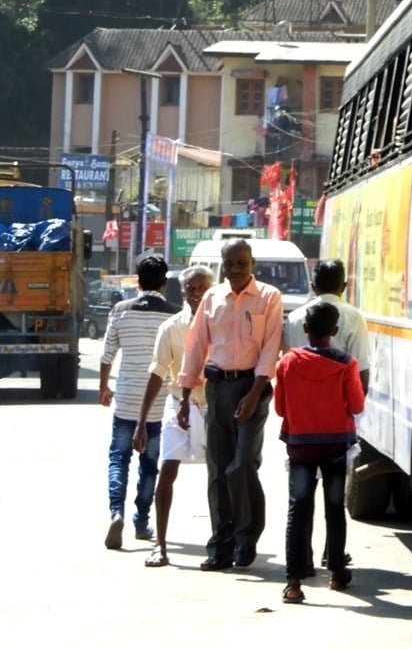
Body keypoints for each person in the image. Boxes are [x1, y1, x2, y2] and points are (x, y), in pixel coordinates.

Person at [176, 238, 284, 571]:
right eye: (230, 264)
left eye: (242, 263)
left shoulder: (269, 297)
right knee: (218, 469)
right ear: (222, 265)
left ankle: (246, 537)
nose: (236, 269)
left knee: (242, 465)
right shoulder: (212, 298)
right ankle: (220, 545)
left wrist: (254, 394)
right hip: (218, 389)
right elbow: (195, 346)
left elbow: (270, 348)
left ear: (252, 264)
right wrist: (184, 395)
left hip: (253, 387)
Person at [274, 301, 365, 604]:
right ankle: (337, 572)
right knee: (335, 508)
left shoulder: (287, 362)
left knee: (297, 509)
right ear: (335, 331)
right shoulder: (346, 364)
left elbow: (280, 407)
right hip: (336, 445)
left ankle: (293, 582)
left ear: (305, 329)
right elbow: (357, 406)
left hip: (300, 445)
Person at [132, 265, 215, 568]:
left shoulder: (221, 323)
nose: (196, 295)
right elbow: (156, 373)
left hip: (213, 409)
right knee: (166, 471)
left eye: (202, 289)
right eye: (191, 290)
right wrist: (142, 423)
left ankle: (221, 544)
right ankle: (161, 546)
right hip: (178, 403)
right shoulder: (171, 328)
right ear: (181, 293)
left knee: (219, 476)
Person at [98, 253, 180, 550]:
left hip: (127, 399)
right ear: (164, 282)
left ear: (138, 280)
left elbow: (107, 354)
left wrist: (103, 387)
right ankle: (142, 521)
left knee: (118, 458)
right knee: (149, 465)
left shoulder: (120, 310)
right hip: (157, 403)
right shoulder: (173, 313)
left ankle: (116, 512)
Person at [283, 259, 368, 391]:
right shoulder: (354, 318)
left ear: (313, 287)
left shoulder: (293, 318)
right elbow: (361, 371)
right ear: (344, 287)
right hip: (336, 403)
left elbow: (286, 367)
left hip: (299, 402)